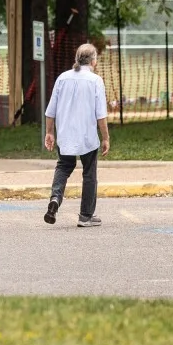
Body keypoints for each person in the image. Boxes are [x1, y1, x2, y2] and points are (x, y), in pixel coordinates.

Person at [43, 42, 110, 227]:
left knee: (63, 166)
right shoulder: (95, 81)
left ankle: (55, 198)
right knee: (89, 173)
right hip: (87, 136)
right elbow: (101, 115)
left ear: (77, 59)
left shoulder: (62, 78)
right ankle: (85, 215)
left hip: (65, 134)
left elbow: (51, 111)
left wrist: (49, 132)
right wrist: (105, 137)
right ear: (93, 61)